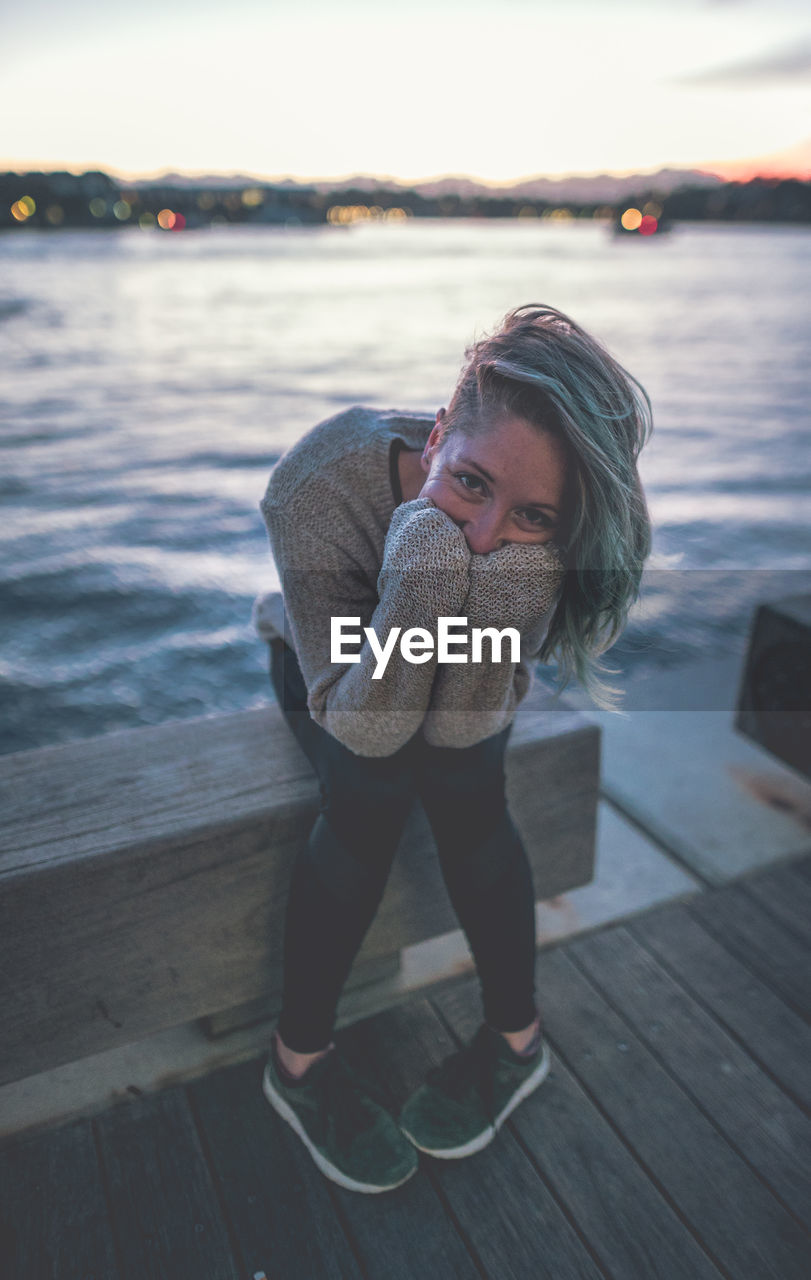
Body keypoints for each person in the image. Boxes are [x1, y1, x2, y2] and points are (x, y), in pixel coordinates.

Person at [255, 303, 653, 1194]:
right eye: (469, 484)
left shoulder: (546, 544)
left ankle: (517, 1044)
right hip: (329, 663)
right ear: (436, 436)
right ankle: (297, 1062)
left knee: (467, 788)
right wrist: (423, 573)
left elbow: (484, 687)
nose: (485, 536)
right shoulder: (316, 485)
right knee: (370, 793)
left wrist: (497, 581)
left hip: (465, 662)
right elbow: (359, 719)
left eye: (529, 517)